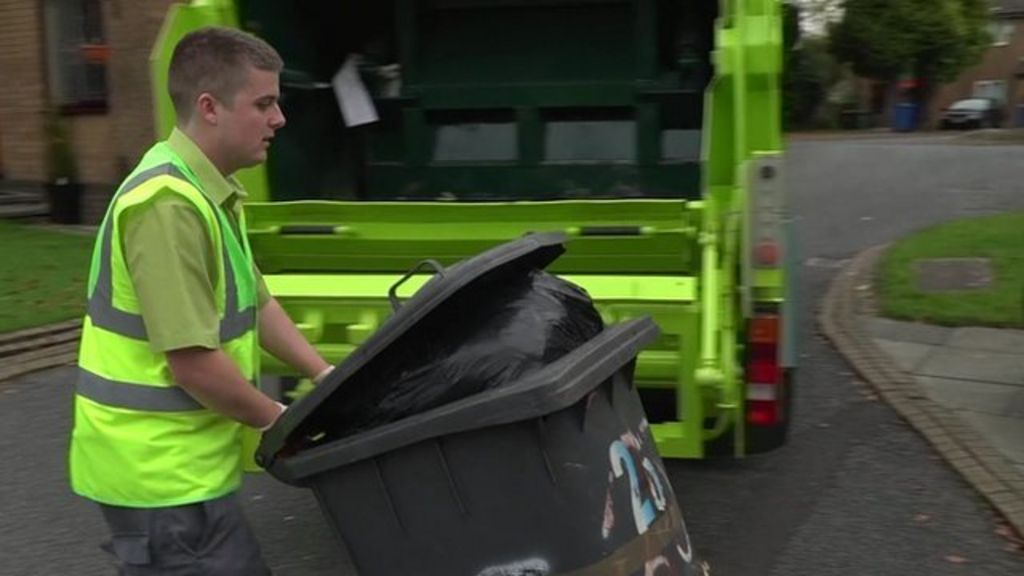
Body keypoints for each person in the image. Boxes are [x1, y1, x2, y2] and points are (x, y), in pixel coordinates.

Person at [69, 26, 332, 575]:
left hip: (178, 472)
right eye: (264, 103)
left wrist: (323, 375)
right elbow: (192, 363)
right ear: (210, 108)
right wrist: (280, 422)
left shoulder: (210, 189)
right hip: (158, 477)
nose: (279, 119)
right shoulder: (167, 206)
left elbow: (256, 303)